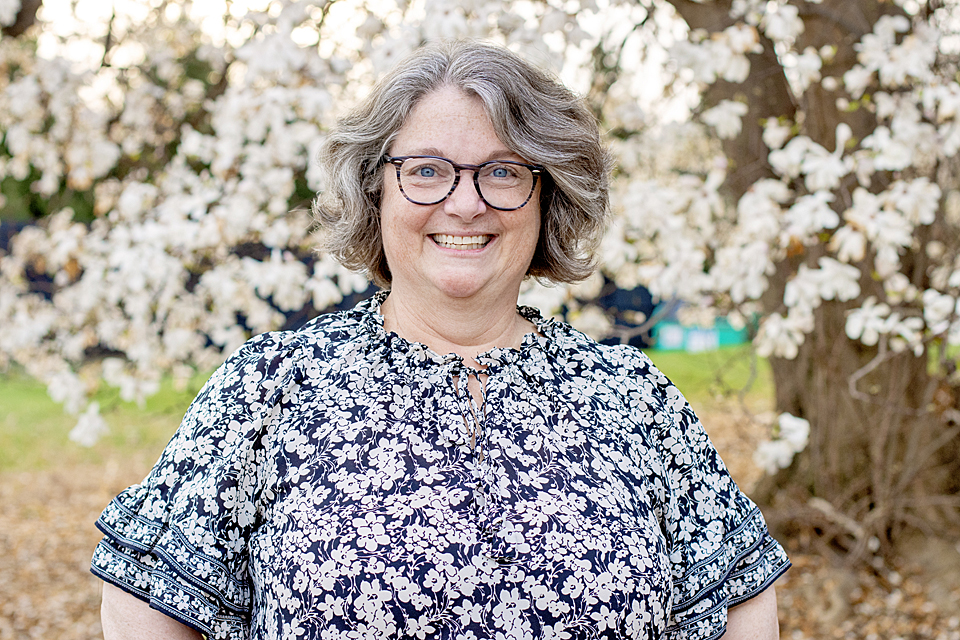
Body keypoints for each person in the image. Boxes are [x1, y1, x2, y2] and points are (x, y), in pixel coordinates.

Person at [92, 39, 790, 640]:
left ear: (548, 197)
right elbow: (146, 594)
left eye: (504, 172)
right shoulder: (269, 390)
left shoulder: (633, 401)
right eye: (426, 170)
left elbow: (741, 596)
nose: (464, 202)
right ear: (376, 193)